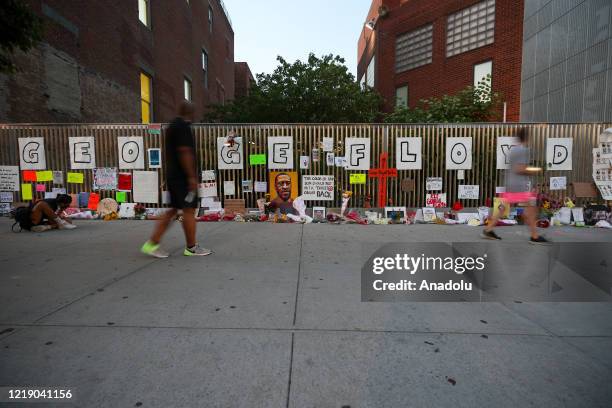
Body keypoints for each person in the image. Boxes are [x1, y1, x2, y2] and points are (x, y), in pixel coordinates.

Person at [141, 101, 211, 258]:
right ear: (190, 113)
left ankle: (152, 244)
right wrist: (192, 177)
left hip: (174, 176)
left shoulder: (173, 126)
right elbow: (184, 151)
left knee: (173, 210)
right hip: (183, 178)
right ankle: (191, 247)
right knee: (189, 210)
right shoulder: (183, 127)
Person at [482, 128, 549, 244]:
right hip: (519, 184)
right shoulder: (523, 150)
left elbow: (514, 167)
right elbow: (520, 169)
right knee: (531, 209)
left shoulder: (513, 150)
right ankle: (534, 236)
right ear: (527, 138)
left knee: (503, 208)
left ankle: (489, 229)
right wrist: (534, 170)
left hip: (511, 182)